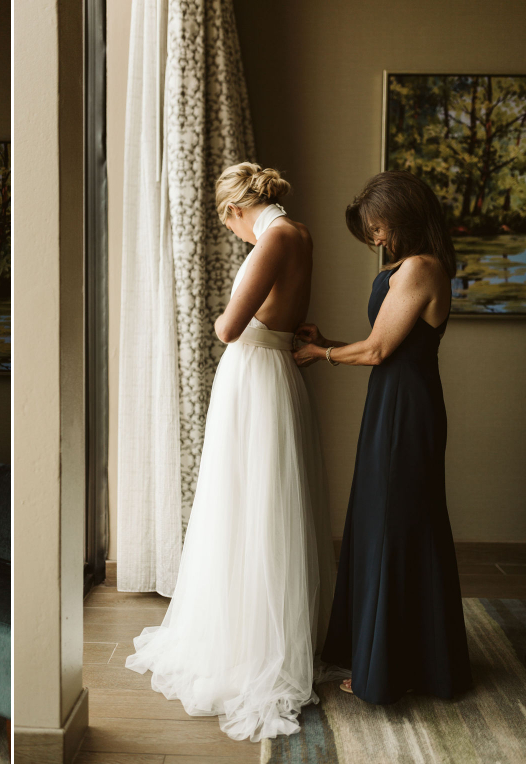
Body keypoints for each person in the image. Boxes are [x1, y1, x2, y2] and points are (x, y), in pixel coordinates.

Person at [126, 163, 336, 742]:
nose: (235, 236)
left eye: (231, 227)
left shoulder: (273, 237)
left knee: (246, 502)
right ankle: (261, 626)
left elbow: (228, 327)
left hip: (254, 375)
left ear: (234, 211)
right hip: (272, 370)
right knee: (262, 501)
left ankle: (250, 645)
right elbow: (282, 313)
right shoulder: (301, 233)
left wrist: (226, 316)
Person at [294, 171, 472, 703]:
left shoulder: (420, 267)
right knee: (384, 522)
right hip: (391, 404)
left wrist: (319, 354)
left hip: (406, 411)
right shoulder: (409, 265)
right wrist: (328, 341)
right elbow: (385, 345)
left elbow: (376, 352)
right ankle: (401, 657)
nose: (375, 237)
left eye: (379, 226)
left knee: (395, 526)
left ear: (405, 218)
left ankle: (391, 668)